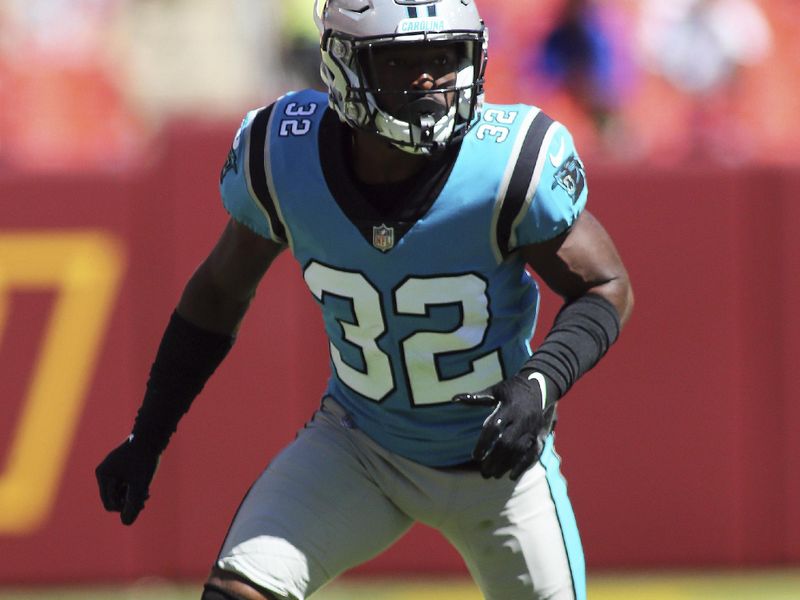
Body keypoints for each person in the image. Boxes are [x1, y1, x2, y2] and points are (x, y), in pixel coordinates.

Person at [95, 0, 633, 598]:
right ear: (345, 68)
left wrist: (541, 381)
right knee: (237, 592)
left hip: (499, 464)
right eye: (404, 63)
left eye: (444, 57)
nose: (430, 81)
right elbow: (219, 291)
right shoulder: (282, 154)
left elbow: (605, 286)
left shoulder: (506, 161)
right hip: (361, 444)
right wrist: (149, 433)